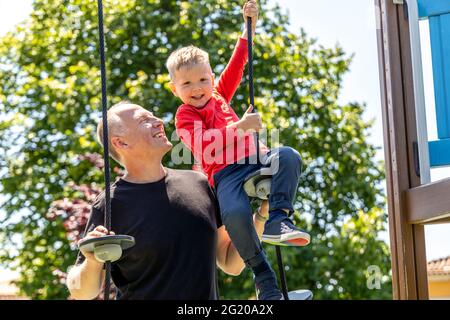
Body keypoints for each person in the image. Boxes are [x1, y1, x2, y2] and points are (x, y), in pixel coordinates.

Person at [167, 0, 310, 300]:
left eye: (204, 79)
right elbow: (205, 148)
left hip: (256, 159)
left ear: (211, 78)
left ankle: (279, 218)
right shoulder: (185, 115)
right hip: (225, 173)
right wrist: (241, 127)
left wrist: (249, 26)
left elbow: (238, 62)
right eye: (187, 83)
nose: (198, 88)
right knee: (234, 213)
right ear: (175, 89)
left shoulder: (219, 94)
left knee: (288, 156)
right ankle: (264, 278)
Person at [66, 102, 270, 300]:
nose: (158, 121)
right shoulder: (110, 204)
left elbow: (230, 262)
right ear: (121, 143)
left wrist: (262, 214)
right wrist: (92, 260)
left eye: (153, 115)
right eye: (144, 120)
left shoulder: (199, 183)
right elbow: (81, 292)